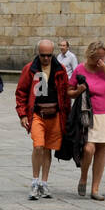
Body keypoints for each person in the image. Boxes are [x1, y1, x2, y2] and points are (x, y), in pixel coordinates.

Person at [15, 39, 69, 201]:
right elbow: (21, 92)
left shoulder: (61, 69)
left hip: (55, 115)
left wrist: (67, 116)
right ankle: (34, 181)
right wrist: (23, 114)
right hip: (38, 113)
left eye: (49, 55)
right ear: (38, 53)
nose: (45, 58)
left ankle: (44, 183)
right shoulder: (30, 69)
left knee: (48, 149)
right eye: (42, 55)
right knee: (38, 145)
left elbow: (65, 94)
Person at [70, 40, 105, 200]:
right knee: (88, 149)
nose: (100, 60)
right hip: (87, 115)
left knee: (101, 151)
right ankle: (84, 176)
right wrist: (78, 91)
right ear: (89, 56)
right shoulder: (80, 69)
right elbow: (68, 91)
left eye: (102, 57)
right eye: (97, 58)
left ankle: (95, 189)